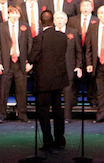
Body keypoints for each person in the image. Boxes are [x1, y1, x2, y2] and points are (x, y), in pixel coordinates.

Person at [28, 10, 70, 152]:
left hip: (44, 81)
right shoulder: (63, 37)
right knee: (58, 110)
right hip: (58, 80)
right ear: (53, 22)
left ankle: (48, 142)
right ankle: (60, 141)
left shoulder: (39, 38)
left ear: (40, 22)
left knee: (43, 111)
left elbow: (32, 58)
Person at [0, 6, 33, 123]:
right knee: (3, 90)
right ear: (8, 14)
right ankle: (1, 115)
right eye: (13, 13)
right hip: (7, 62)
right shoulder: (0, 27)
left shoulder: (25, 26)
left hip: (21, 63)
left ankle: (22, 115)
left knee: (21, 90)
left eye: (17, 13)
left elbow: (30, 44)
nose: (15, 15)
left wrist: (29, 61)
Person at [52, 11, 83, 124]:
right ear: (54, 21)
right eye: (57, 18)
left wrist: (78, 66)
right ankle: (56, 116)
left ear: (66, 20)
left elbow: (79, 51)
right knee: (54, 94)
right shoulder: (49, 33)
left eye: (61, 18)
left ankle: (67, 117)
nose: (59, 20)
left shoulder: (73, 32)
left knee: (68, 94)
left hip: (68, 68)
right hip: (54, 69)